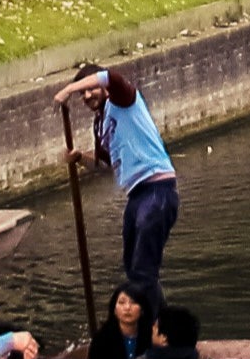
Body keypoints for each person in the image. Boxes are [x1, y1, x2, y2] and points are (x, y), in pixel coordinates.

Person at [53, 64, 180, 310]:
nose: (87, 95)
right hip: (136, 195)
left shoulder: (123, 101)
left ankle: (158, 332)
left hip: (157, 189)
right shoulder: (100, 125)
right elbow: (104, 165)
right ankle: (156, 326)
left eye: (90, 89)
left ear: (102, 87)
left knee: (143, 271)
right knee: (133, 269)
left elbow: (110, 76)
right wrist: (78, 158)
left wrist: (69, 88)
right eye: (83, 94)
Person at [85, 285, 152, 359]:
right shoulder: (102, 338)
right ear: (114, 310)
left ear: (142, 309)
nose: (127, 308)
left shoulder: (151, 335)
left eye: (133, 303)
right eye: (121, 303)